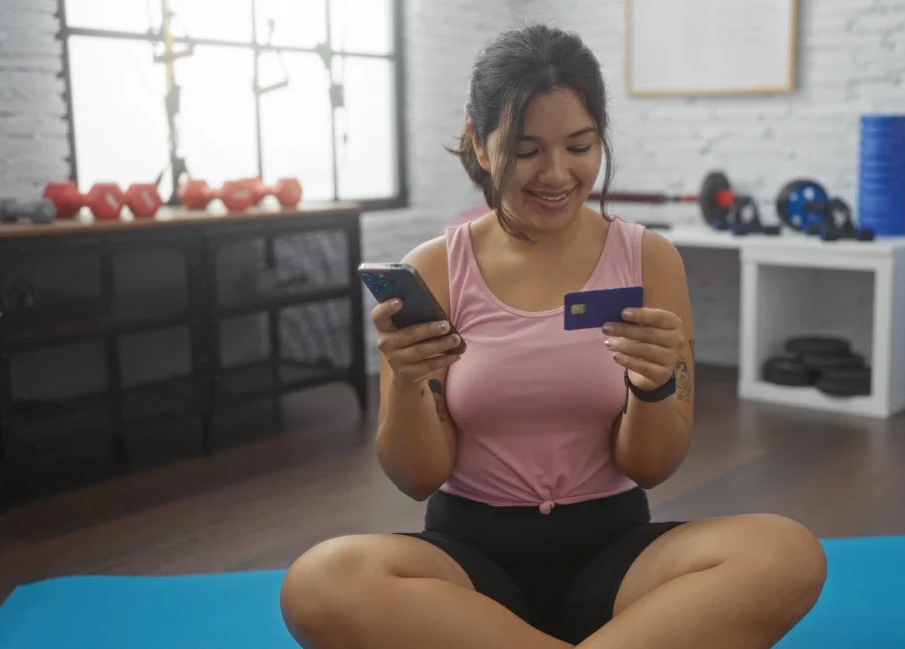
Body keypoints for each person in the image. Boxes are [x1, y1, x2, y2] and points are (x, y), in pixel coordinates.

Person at [280, 23, 827, 649]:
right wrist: (406, 381)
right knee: (318, 582)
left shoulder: (650, 259)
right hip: (469, 568)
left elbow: (652, 467)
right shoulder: (435, 268)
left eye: (579, 145)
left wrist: (652, 385)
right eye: (526, 149)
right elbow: (417, 478)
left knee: (788, 552)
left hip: (618, 564)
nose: (557, 174)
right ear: (479, 147)